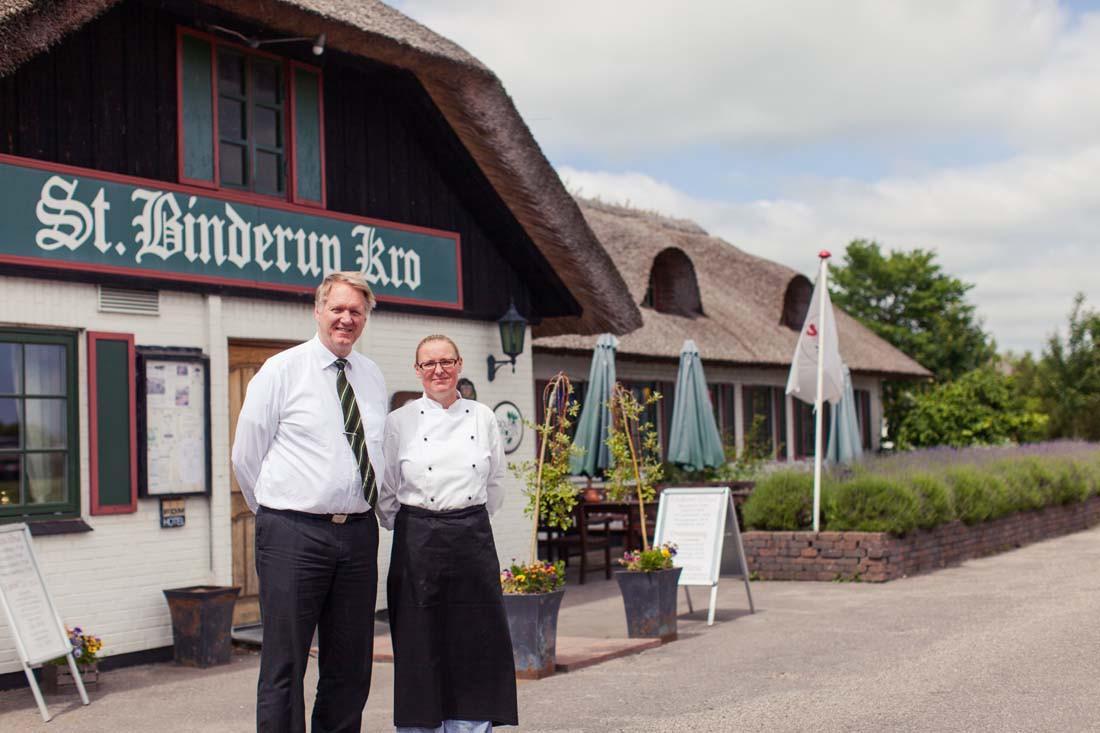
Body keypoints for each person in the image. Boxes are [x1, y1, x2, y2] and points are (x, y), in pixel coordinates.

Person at [231, 272, 387, 733]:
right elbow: (245, 456)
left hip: (358, 534)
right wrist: (276, 515)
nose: (346, 318)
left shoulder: (372, 375)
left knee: (350, 664)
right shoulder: (281, 370)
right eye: (337, 308)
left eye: (356, 311)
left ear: (365, 318)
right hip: (293, 533)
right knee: (285, 664)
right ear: (317, 311)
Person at [379, 335, 519, 732]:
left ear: (458, 365)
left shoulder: (482, 416)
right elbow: (387, 491)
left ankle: (471, 727)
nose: (438, 370)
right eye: (429, 364)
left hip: (471, 535)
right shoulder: (399, 421)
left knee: (475, 639)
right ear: (417, 370)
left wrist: (465, 518)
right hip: (416, 537)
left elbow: (496, 482)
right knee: (418, 639)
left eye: (446, 362)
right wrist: (414, 523)